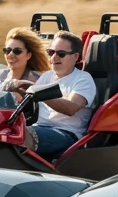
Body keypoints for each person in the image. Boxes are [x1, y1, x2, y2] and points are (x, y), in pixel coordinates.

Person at [14, 30, 97, 159]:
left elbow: (71, 108)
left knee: (19, 135)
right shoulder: (48, 76)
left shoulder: (83, 79)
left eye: (61, 54)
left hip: (66, 133)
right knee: (2, 128)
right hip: (38, 127)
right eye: (51, 52)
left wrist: (38, 93)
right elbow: (31, 98)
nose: (54, 58)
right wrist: (17, 90)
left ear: (75, 56)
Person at [0, 27, 50, 95]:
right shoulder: (0, 75)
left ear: (28, 55)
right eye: (7, 50)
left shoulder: (37, 79)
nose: (10, 54)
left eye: (17, 51)